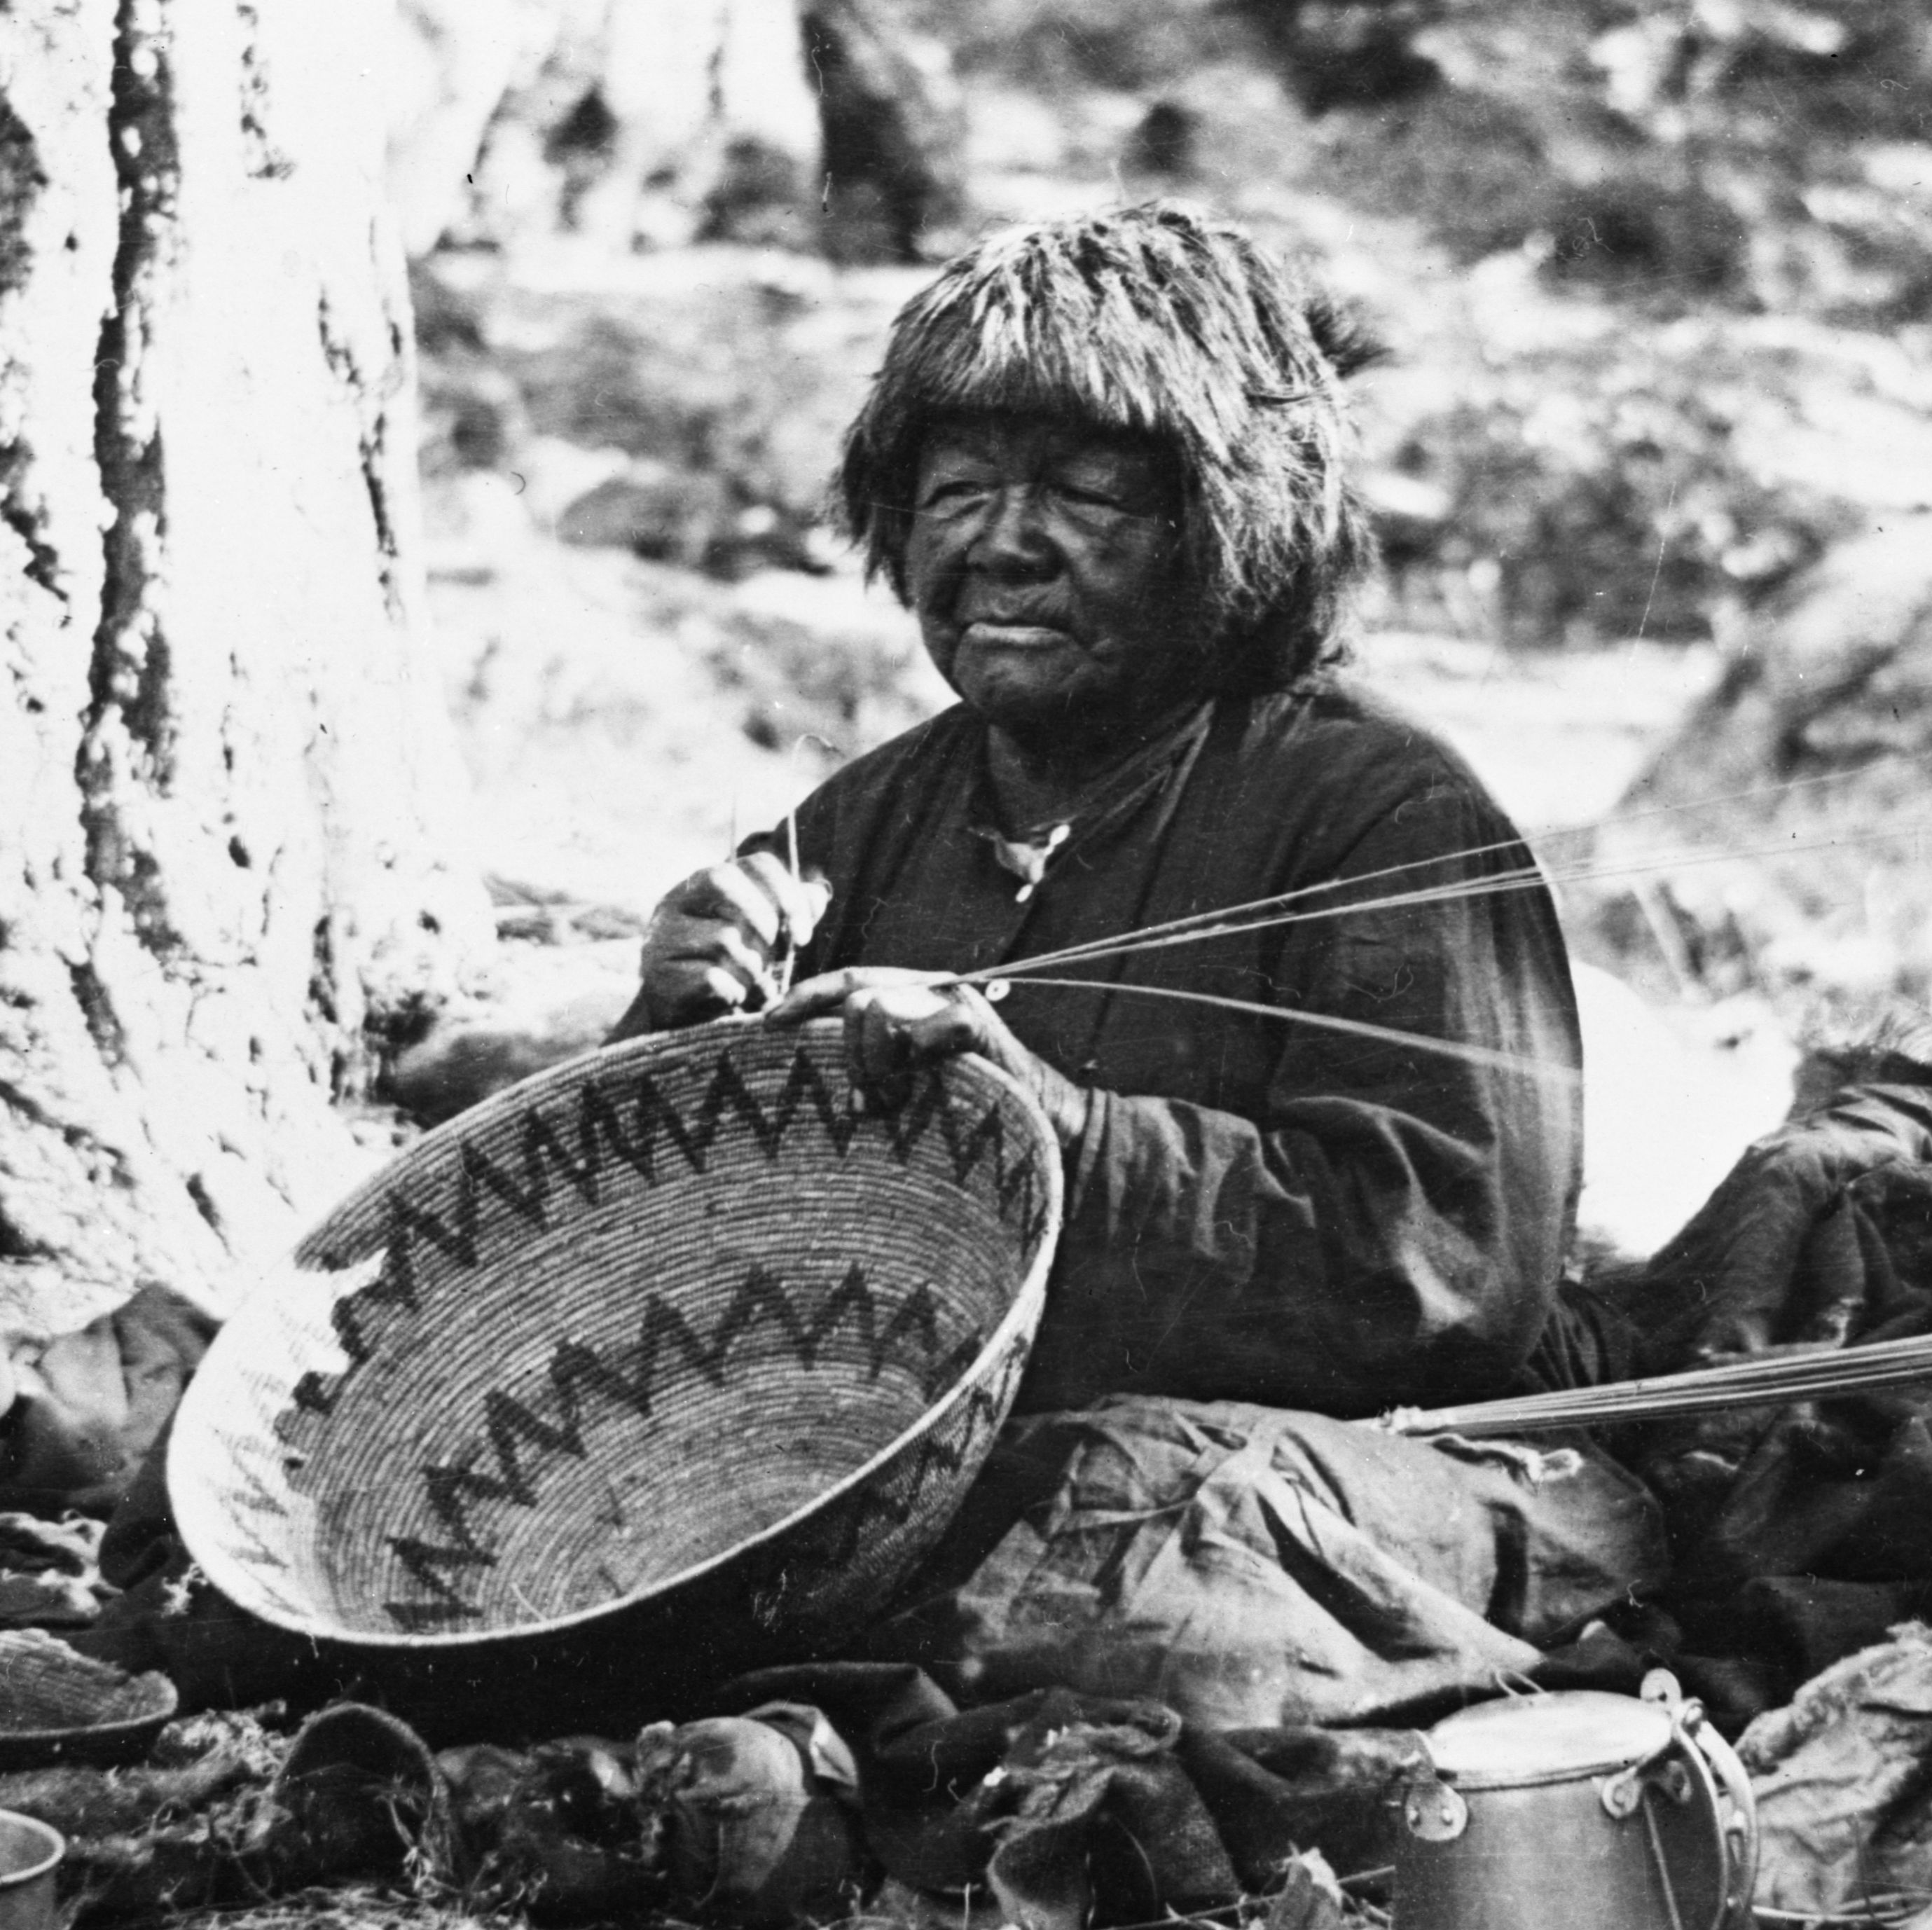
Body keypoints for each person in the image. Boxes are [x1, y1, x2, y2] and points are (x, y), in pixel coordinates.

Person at [621, 205, 1652, 1726]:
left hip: (1334, 1461)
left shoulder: (1380, 811)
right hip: (924, 1464)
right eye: (955, 492)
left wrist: (1048, 1131)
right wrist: (667, 1031)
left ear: (1227, 526)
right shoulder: (872, 815)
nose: (1001, 543)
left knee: (1142, 1547)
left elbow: (1445, 1277)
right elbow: (655, 1261)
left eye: (1085, 494)